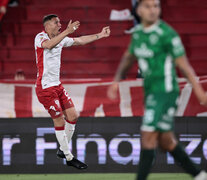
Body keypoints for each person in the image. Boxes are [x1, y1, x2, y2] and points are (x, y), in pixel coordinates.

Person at [107, 0, 207, 179]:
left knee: (147, 136)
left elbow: (184, 66)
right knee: (166, 141)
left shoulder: (167, 34)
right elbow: (129, 57)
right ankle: (199, 175)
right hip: (151, 92)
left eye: (156, 6)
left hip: (165, 92)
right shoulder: (137, 33)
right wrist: (116, 80)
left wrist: (199, 92)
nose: (153, 10)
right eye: (148, 6)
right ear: (138, 10)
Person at [34, 14, 110, 169]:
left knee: (73, 116)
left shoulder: (61, 38)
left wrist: (100, 35)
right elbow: (48, 45)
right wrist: (67, 32)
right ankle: (69, 157)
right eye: (56, 23)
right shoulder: (40, 37)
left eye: (60, 23)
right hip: (45, 88)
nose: (60, 25)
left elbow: (80, 40)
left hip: (58, 86)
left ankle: (63, 150)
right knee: (60, 120)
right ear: (47, 26)